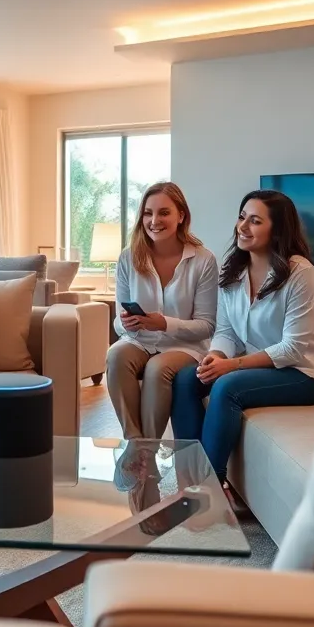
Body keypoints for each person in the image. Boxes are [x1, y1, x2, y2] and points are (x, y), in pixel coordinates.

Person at [169, 189, 314, 487]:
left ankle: (210, 487)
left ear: (278, 229)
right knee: (186, 379)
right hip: (253, 369)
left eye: (255, 221)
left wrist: (232, 366)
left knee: (228, 386)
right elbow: (227, 331)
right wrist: (217, 356)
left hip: (301, 374)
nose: (242, 226)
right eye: (242, 217)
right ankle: (188, 477)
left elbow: (293, 348)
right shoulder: (233, 271)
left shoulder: (300, 273)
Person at [107, 182, 219, 440]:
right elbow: (117, 323)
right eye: (148, 213)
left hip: (186, 346)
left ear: (181, 216)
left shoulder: (203, 260)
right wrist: (128, 324)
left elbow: (206, 325)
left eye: (164, 213)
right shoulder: (128, 257)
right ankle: (135, 443)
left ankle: (149, 447)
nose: (154, 220)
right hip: (140, 341)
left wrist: (164, 324)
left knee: (158, 368)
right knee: (116, 355)